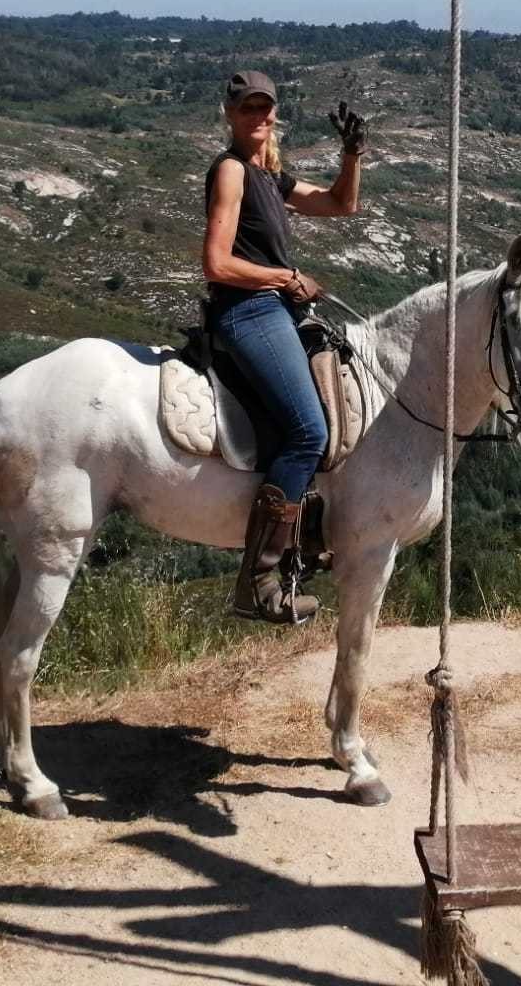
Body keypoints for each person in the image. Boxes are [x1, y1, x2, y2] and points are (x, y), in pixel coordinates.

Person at [202, 69, 368, 625]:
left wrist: (352, 156)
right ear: (230, 114)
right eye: (250, 109)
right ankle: (259, 581)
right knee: (308, 431)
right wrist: (285, 277)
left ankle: (304, 541)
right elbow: (217, 263)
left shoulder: (269, 178)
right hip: (247, 310)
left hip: (276, 308)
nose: (261, 117)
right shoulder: (230, 171)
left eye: (267, 108)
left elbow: (341, 205)